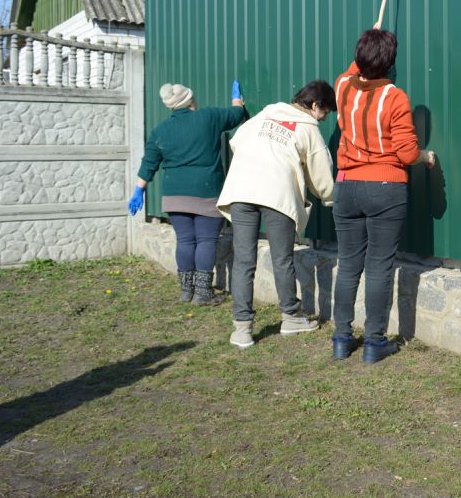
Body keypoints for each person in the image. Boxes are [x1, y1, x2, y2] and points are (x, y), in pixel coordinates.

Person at [331, 29, 435, 364]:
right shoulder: (395, 97)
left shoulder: (342, 87)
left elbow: (352, 69)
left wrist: (366, 47)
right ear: (390, 63)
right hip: (385, 188)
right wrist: (426, 157)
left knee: (348, 265)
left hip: (346, 187)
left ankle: (341, 339)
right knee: (378, 266)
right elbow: (406, 154)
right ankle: (374, 343)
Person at [217, 81, 337, 349]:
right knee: (282, 258)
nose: (324, 118)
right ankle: (291, 317)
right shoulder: (308, 129)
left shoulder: (266, 114)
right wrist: (330, 198)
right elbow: (322, 176)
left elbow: (237, 140)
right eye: (325, 112)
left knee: (243, 260)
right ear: (315, 105)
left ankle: (242, 329)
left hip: (242, 188)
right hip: (276, 193)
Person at [130, 81, 245, 306]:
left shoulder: (160, 130)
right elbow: (236, 115)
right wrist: (236, 99)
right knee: (206, 240)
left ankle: (186, 290)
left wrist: (138, 190)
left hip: (174, 195)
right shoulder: (208, 117)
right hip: (206, 191)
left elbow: (149, 163)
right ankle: (202, 293)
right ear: (190, 100)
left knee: (184, 240)